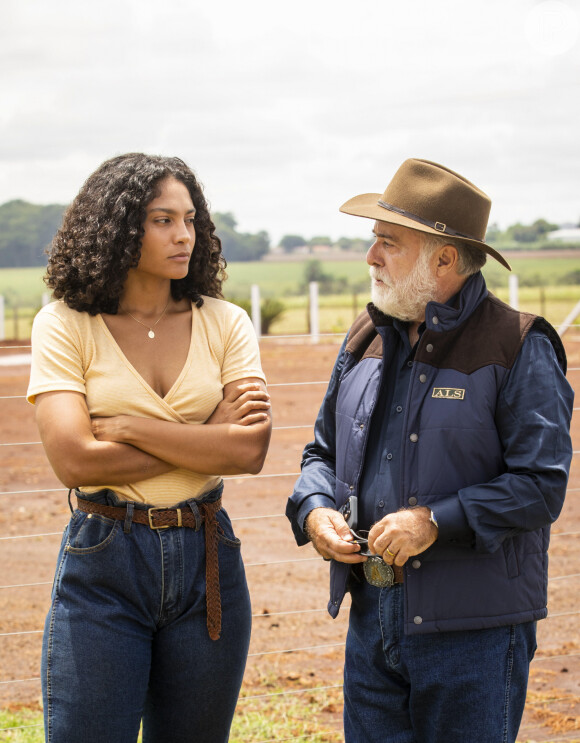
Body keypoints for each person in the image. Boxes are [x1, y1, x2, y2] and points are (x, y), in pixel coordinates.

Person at [286, 158, 574, 743]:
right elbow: (319, 454)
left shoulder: (519, 345)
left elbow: (541, 487)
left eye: (387, 243)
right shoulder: (364, 339)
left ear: (444, 258)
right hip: (371, 621)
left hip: (475, 634)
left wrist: (433, 522)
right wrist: (314, 510)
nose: (371, 257)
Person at [27, 153, 272, 743]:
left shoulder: (226, 322)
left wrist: (134, 428)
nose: (184, 234)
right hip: (105, 556)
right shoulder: (64, 324)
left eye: (190, 219)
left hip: (207, 561)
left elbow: (249, 452)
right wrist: (206, 434)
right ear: (116, 226)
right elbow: (75, 461)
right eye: (162, 219)